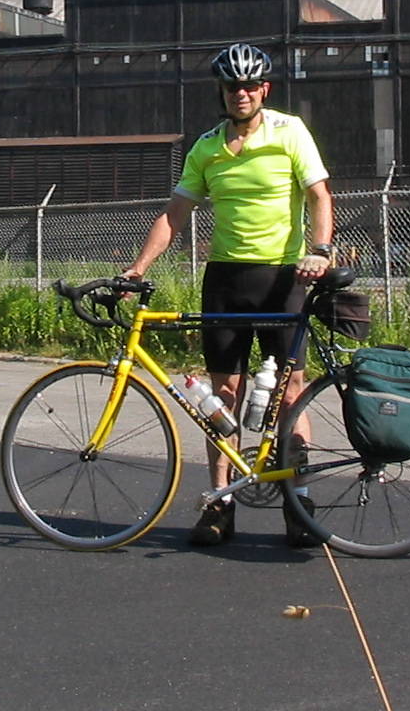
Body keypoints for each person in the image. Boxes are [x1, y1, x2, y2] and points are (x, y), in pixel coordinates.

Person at [122, 42, 334, 547]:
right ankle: (220, 503)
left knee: (292, 390)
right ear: (222, 92)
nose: (241, 93)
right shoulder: (207, 147)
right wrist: (136, 268)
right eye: (232, 86)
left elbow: (319, 195)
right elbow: (175, 215)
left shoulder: (289, 132)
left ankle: (298, 502)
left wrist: (321, 249)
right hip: (225, 279)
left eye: (249, 85)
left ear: (264, 89)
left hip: (284, 277)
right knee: (224, 397)